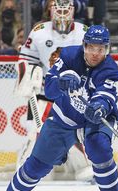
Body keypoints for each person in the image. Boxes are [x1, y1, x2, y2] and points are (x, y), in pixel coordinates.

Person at [0, 25, 118, 191]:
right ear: (84, 45)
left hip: (93, 120)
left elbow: (106, 95)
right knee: (36, 166)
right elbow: (49, 91)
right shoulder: (67, 56)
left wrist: (99, 107)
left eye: (101, 49)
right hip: (64, 118)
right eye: (92, 47)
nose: (96, 53)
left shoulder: (110, 69)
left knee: (99, 148)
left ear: (107, 49)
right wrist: (61, 82)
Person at [15, 0, 91, 181]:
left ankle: (84, 167)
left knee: (76, 133)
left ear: (73, 10)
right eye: (59, 9)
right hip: (44, 93)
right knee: (35, 132)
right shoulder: (39, 31)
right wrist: (27, 77)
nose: (62, 14)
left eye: (67, 10)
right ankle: (28, 167)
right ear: (50, 10)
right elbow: (25, 58)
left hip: (74, 96)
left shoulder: (84, 31)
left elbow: (96, 60)